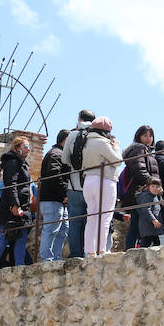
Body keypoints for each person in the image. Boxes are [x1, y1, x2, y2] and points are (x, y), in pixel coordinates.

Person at [80, 116, 122, 256]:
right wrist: (116, 147)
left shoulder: (86, 142)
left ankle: (90, 251)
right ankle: (102, 250)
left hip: (88, 180)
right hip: (104, 180)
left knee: (91, 216)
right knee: (105, 215)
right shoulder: (102, 143)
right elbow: (117, 161)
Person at [0, 137, 32, 269]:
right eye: (26, 147)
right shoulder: (12, 162)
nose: (28, 150)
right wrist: (15, 205)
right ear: (17, 147)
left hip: (22, 204)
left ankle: (19, 266)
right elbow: (10, 184)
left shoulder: (21, 163)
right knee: (4, 235)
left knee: (22, 235)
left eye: (29, 147)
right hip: (13, 205)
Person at [60, 109, 96, 258]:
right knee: (92, 220)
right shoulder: (98, 135)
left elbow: (64, 159)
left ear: (79, 119)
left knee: (75, 223)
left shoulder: (72, 135)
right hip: (93, 184)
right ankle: (90, 253)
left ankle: (76, 254)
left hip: (74, 187)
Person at [121, 125, 159, 250]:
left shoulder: (146, 151)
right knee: (137, 223)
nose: (148, 138)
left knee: (140, 222)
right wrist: (151, 183)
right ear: (138, 137)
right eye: (145, 135)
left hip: (142, 191)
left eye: (150, 135)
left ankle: (136, 248)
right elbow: (139, 169)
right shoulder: (139, 150)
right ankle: (130, 249)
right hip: (140, 192)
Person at [39, 129, 71, 262]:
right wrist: (64, 193)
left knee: (63, 230)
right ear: (65, 140)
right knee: (51, 229)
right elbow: (54, 175)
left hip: (56, 200)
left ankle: (56, 259)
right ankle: (47, 260)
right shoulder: (57, 154)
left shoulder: (57, 153)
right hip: (53, 199)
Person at [136, 178, 164, 247]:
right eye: (153, 186)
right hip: (148, 224)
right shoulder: (146, 196)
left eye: (157, 186)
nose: (155, 188)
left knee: (156, 243)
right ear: (148, 186)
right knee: (146, 242)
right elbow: (146, 209)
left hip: (153, 226)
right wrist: (153, 220)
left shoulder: (154, 196)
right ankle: (141, 256)